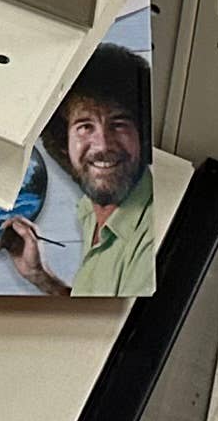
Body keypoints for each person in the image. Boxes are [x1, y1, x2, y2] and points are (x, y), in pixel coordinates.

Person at [50, 46, 164, 297]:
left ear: (143, 134)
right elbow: (94, 303)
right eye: (85, 126)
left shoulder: (150, 241)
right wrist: (41, 276)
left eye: (118, 124)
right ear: (63, 141)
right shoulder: (89, 209)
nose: (102, 145)